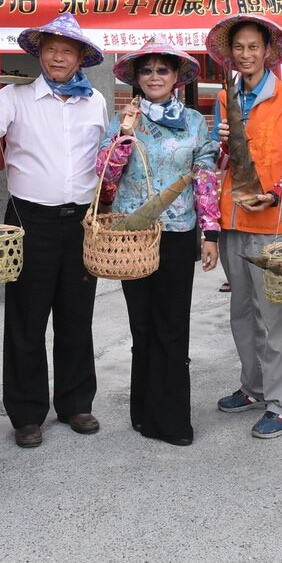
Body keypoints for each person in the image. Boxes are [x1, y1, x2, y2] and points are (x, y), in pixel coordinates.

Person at [0, 14, 108, 448]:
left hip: (81, 221)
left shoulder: (96, 101)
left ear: (82, 57)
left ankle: (76, 403)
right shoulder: (14, 97)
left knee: (76, 316)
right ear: (38, 52)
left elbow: (105, 157)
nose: (58, 55)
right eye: (50, 47)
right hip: (28, 220)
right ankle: (26, 413)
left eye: (68, 49)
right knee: (26, 318)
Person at [95, 36, 220, 446]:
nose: (153, 77)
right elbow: (105, 178)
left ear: (176, 78)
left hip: (179, 235)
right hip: (133, 237)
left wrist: (211, 232)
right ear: (136, 78)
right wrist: (126, 136)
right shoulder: (123, 120)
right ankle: (143, 411)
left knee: (172, 326)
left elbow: (205, 177)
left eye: (161, 70)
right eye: (146, 70)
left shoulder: (195, 122)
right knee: (142, 326)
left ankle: (171, 419)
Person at [209, 15, 282, 438]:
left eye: (255, 47)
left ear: (268, 52)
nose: (247, 55)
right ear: (231, 54)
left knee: (275, 315)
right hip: (231, 218)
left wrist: (276, 193)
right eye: (239, 48)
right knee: (242, 311)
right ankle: (253, 388)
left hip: (271, 221)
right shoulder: (224, 97)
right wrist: (220, 144)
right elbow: (222, 163)